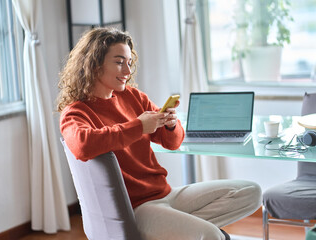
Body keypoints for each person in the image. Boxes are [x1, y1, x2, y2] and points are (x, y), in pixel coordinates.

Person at [57, 27, 261, 240]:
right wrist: (139, 126)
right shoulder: (76, 112)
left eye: (129, 62)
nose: (127, 71)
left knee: (250, 192)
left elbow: (172, 143)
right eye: (119, 62)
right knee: (211, 236)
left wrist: (171, 125)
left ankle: (174, 230)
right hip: (138, 208)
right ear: (94, 64)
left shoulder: (133, 96)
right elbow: (82, 146)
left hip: (166, 193)